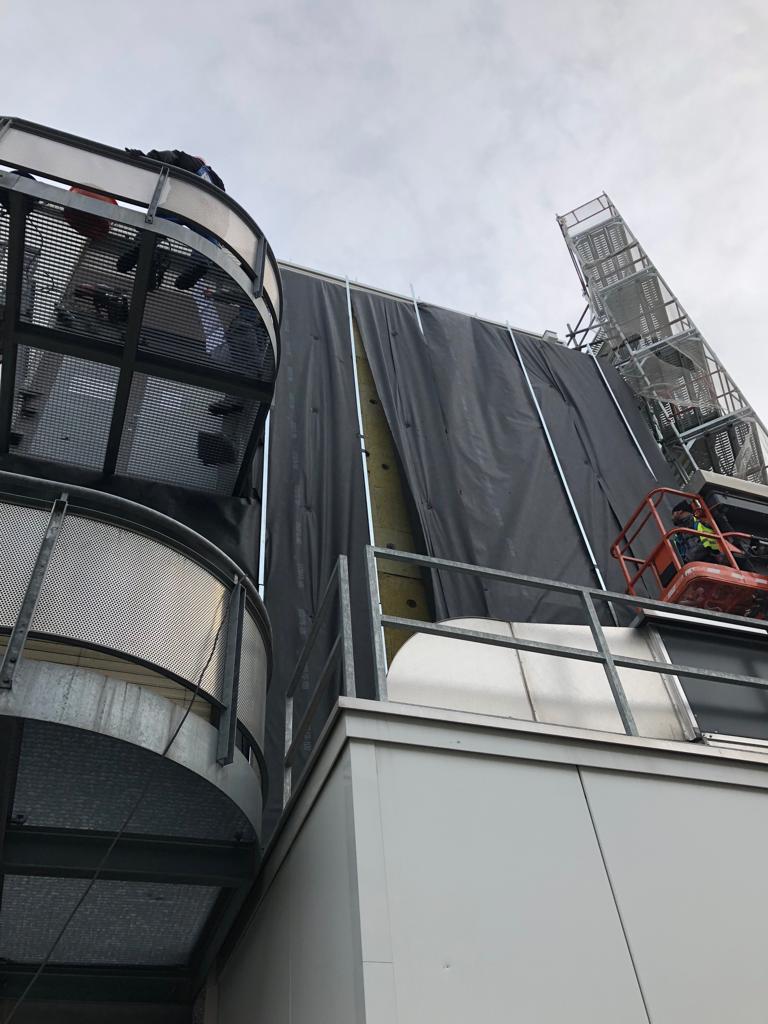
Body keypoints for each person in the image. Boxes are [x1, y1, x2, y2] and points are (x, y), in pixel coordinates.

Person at [117, 148, 226, 290]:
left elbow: (170, 156)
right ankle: (200, 263)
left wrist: (147, 157)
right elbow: (224, 209)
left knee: (158, 223)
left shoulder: (189, 160)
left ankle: (140, 245)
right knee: (207, 241)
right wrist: (220, 237)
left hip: (181, 202)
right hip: (206, 212)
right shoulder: (217, 181)